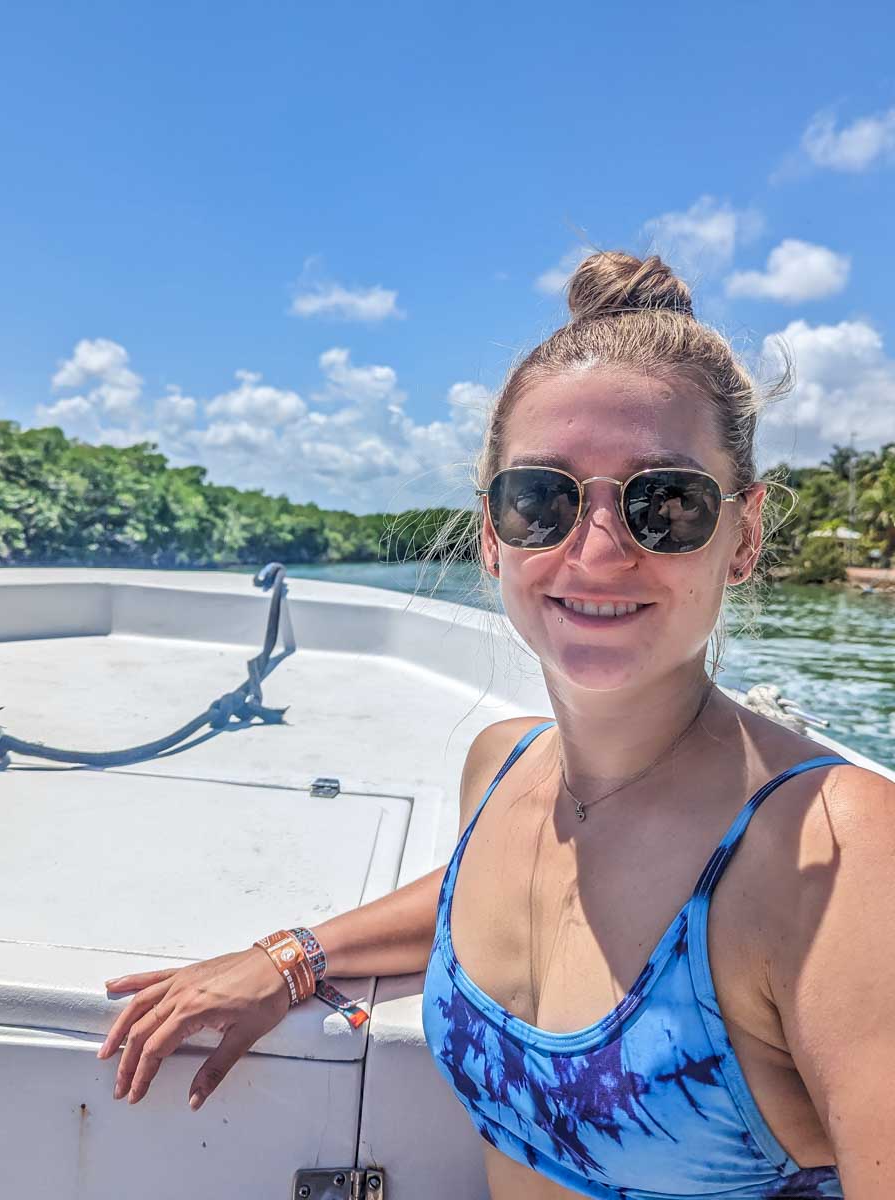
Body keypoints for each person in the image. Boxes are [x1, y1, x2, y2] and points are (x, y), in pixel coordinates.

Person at [96, 252, 894, 1198]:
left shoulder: (834, 858)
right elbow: (481, 889)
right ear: (491, 533)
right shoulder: (503, 766)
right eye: (542, 500)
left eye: (665, 504)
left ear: (745, 534)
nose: (597, 552)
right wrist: (296, 955)